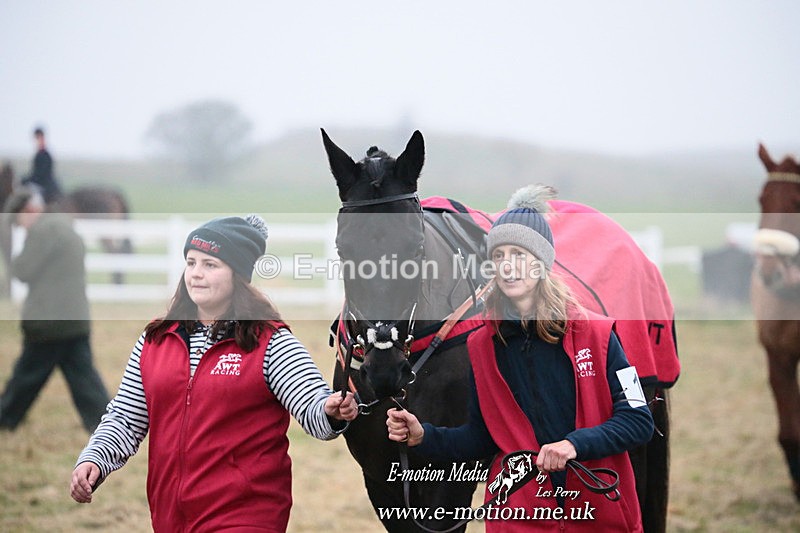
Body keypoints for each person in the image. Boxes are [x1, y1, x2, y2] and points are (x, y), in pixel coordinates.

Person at [386, 185, 654, 532]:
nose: (508, 266)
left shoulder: (599, 335)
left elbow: (638, 421)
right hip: (521, 517)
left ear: (541, 261)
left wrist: (574, 445)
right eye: (498, 256)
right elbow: (482, 438)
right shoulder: (483, 346)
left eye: (519, 254)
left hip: (598, 512)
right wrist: (425, 435)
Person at [70, 214, 358, 533]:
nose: (196, 274)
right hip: (170, 518)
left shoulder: (270, 342)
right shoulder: (155, 340)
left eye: (210, 264)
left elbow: (313, 408)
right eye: (191, 262)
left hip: (246, 515)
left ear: (237, 275)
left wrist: (331, 412)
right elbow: (126, 417)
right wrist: (95, 458)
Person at [0, 187, 110, 432]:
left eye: (19, 222)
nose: (21, 228)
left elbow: (22, 270)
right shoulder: (62, 223)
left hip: (50, 323)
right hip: (74, 319)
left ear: (27, 211)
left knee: (26, 377)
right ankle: (107, 424)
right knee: (84, 379)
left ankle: (5, 419)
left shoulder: (43, 230)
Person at [21, 126, 63, 204]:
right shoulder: (40, 153)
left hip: (45, 187)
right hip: (42, 184)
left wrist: (26, 180)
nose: (37, 141)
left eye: (38, 138)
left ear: (42, 137)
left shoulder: (45, 155)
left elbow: (41, 174)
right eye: (36, 138)